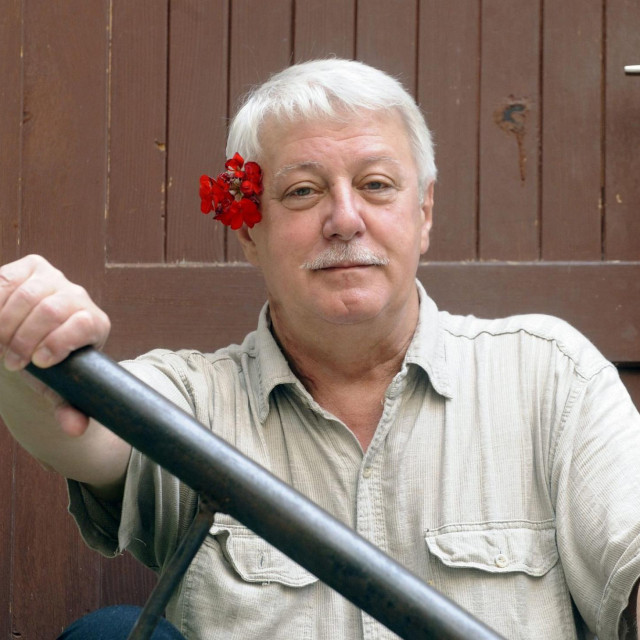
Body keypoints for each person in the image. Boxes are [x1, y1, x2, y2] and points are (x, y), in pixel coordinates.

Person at [0, 58, 639, 640]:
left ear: (423, 212)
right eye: (303, 191)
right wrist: (28, 343)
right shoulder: (196, 400)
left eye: (377, 185)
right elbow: (76, 429)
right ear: (250, 231)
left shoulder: (548, 377)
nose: (345, 218)